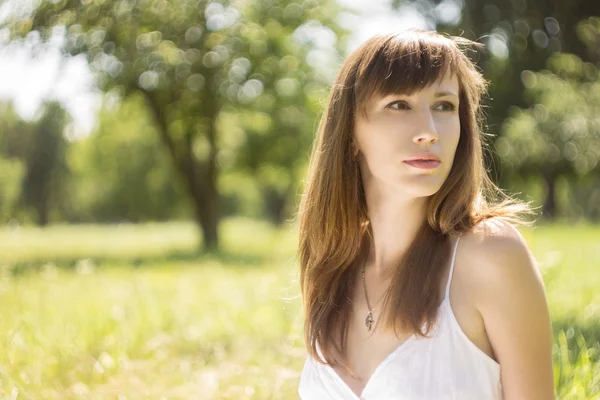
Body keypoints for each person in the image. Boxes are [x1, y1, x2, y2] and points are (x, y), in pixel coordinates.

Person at [295, 29, 555, 399]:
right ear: (351, 132)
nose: (429, 131)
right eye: (399, 104)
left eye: (444, 106)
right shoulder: (332, 268)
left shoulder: (490, 254)